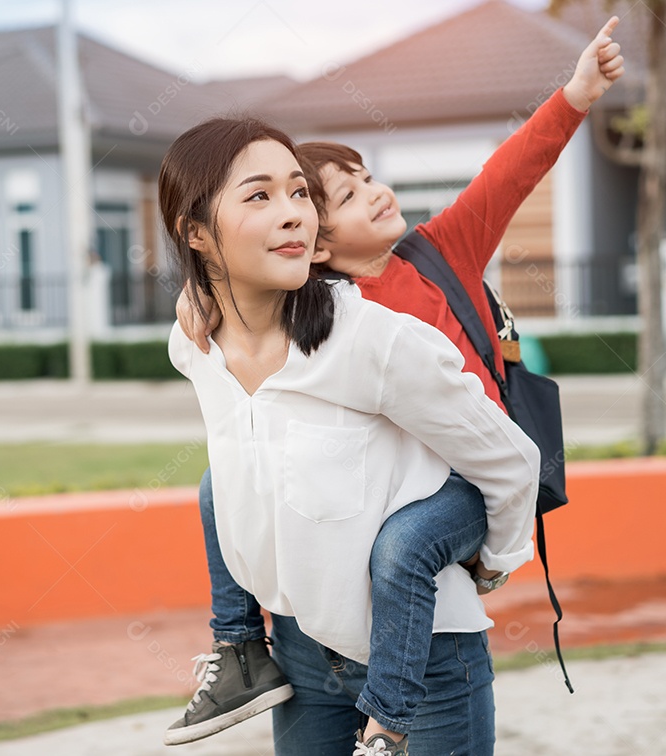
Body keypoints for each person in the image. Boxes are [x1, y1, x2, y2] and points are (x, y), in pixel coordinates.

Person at [167, 16, 626, 755]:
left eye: (366, 179)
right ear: (318, 245)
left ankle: (391, 716)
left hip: (460, 480)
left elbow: (508, 173)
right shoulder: (306, 311)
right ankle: (240, 646)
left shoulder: (435, 257)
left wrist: (574, 95)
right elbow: (239, 293)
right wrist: (201, 298)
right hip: (318, 627)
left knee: (402, 549)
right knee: (220, 484)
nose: (374, 196)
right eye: (345, 198)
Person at [161, 115, 540, 755]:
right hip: (301, 659)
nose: (292, 215)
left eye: (299, 193)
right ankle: (237, 652)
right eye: (260, 195)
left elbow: (511, 460)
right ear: (196, 232)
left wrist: (492, 563)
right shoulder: (194, 346)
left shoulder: (374, 341)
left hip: (426, 661)